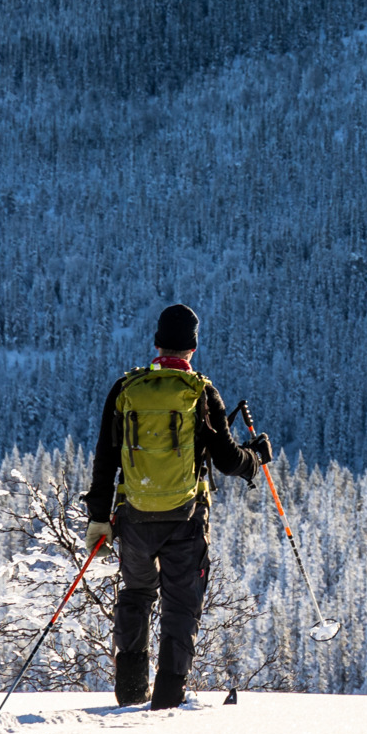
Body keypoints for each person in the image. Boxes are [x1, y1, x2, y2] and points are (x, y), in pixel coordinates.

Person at [83, 302, 271, 709]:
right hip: (185, 519)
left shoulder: (125, 389)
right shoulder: (201, 392)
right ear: (193, 348)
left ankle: (130, 691)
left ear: (157, 343)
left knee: (136, 594)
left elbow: (105, 458)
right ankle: (168, 699)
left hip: (133, 516)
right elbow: (225, 459)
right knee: (181, 605)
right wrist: (255, 460)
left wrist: (99, 518)